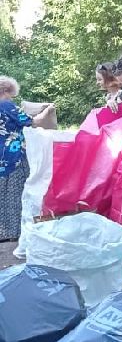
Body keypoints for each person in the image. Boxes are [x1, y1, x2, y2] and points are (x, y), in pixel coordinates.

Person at [0, 77, 56, 242]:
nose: (12, 98)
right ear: (5, 91)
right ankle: (14, 232)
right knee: (17, 194)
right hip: (13, 158)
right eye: (11, 95)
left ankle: (2, 231)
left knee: (2, 195)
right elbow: (34, 121)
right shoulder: (6, 105)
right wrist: (48, 110)